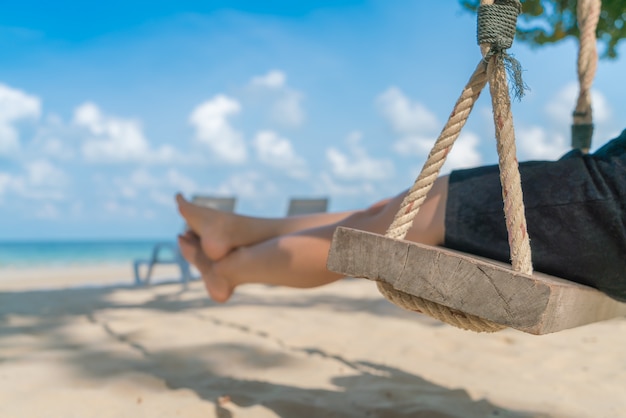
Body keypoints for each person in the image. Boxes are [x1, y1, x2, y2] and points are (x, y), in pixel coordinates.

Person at [176, 130, 626, 304]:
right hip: (608, 196)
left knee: (397, 225)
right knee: (392, 212)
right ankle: (236, 231)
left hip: (608, 201)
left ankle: (226, 268)